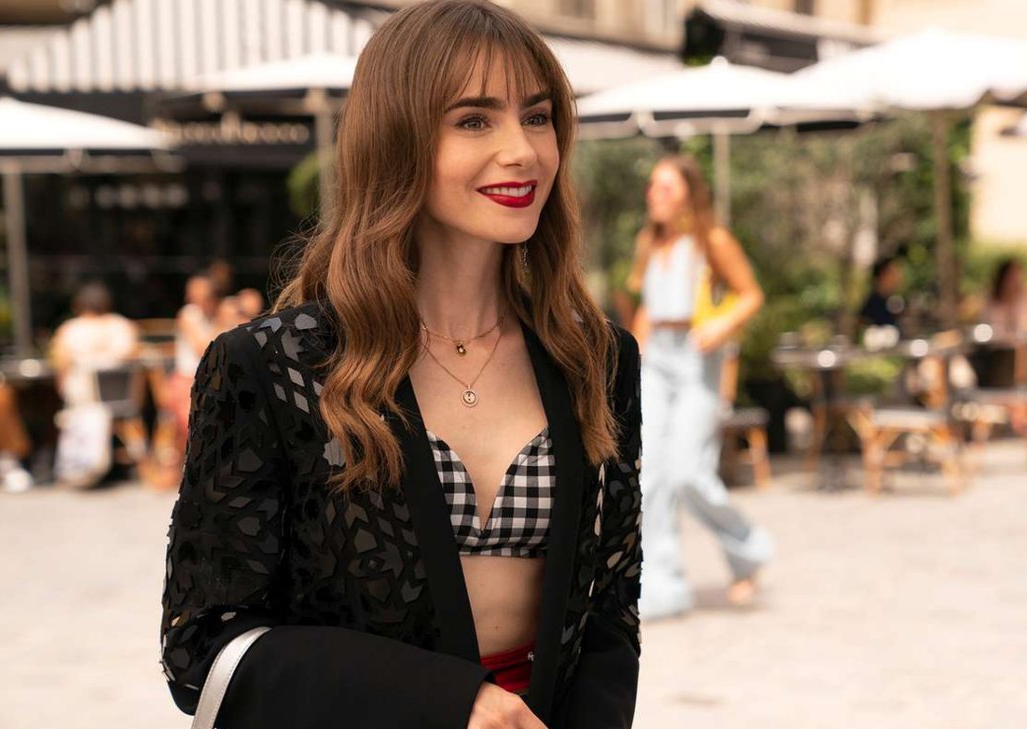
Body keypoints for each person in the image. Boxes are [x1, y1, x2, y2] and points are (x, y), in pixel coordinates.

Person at [159, 3, 642, 729]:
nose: (522, 150)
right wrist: (446, 700)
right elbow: (202, 644)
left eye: (537, 117)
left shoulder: (596, 358)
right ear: (396, 140)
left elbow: (611, 607)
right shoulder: (272, 367)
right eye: (474, 120)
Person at [624, 154, 773, 620]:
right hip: (657, 359)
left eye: (665, 187)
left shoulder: (712, 241)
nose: (654, 195)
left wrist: (721, 326)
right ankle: (662, 588)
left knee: (688, 473)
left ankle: (748, 550)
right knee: (649, 476)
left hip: (697, 357)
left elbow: (751, 294)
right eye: (652, 186)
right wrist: (632, 358)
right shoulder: (649, 242)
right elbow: (648, 308)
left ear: (688, 193)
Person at [49, 283, 140, 408]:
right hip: (122, 400)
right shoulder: (124, 326)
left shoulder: (69, 330)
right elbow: (137, 361)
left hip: (83, 400)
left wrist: (61, 391)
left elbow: (61, 364)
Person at [170, 274, 221, 448]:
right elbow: (202, 349)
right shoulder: (189, 314)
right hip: (188, 380)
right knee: (193, 430)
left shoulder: (217, 314)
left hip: (213, 380)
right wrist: (223, 322)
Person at [980, 258, 1027, 342]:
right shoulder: (991, 304)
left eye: (1017, 277)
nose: (1014, 283)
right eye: (1011, 278)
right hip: (996, 347)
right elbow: (985, 329)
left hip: (1023, 347)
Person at [858, 256, 905, 333]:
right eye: (892, 273)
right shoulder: (872, 304)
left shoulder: (893, 302)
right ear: (882, 275)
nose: (897, 278)